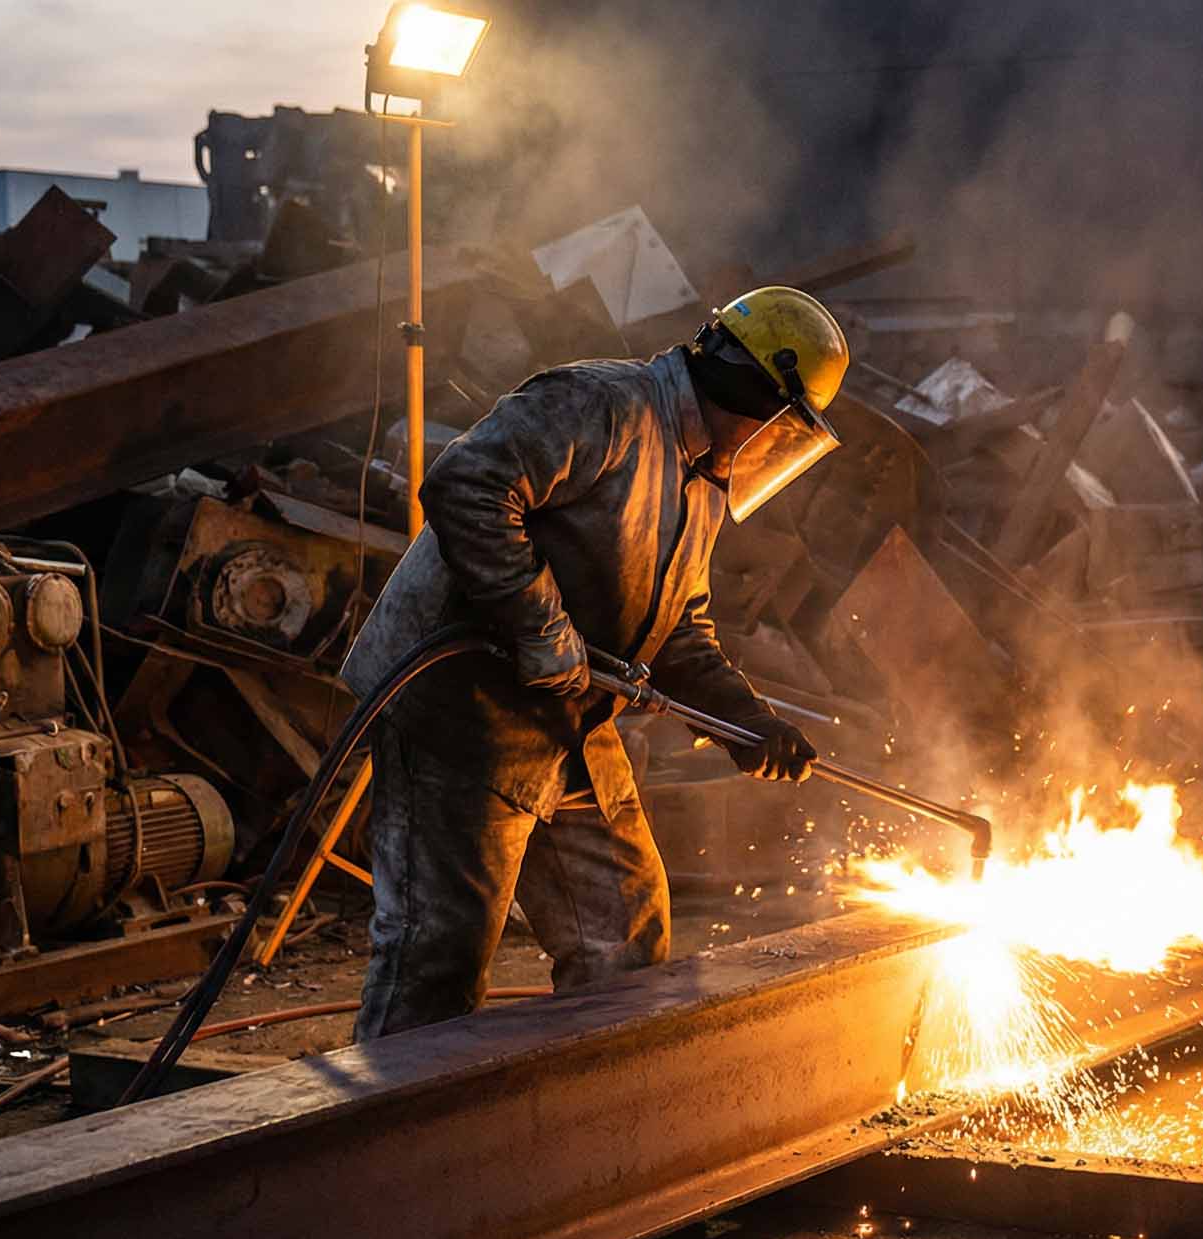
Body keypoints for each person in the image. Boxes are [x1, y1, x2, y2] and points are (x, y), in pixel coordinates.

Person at [341, 286, 849, 1038]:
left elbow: (678, 629)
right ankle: (386, 1113)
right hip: (461, 710)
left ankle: (593, 1103)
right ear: (758, 397)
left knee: (626, 937)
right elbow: (467, 484)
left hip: (569, 722)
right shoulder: (602, 405)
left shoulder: (702, 480)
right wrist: (540, 626)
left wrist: (744, 720)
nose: (774, 449)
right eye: (784, 429)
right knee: (439, 957)